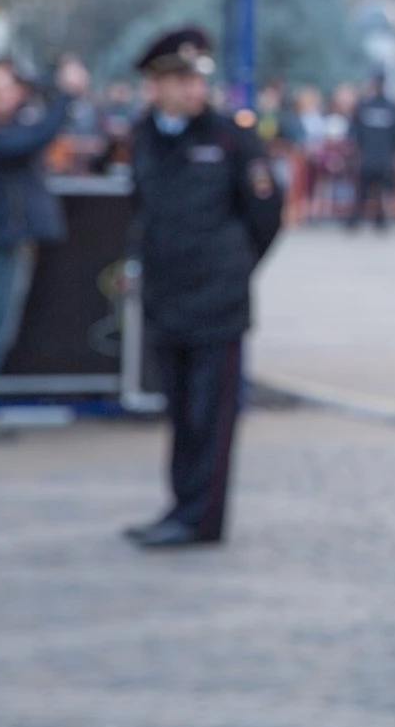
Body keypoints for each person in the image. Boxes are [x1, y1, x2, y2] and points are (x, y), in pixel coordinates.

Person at [121, 28, 283, 548]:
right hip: (167, 299)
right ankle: (179, 505)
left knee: (210, 418)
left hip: (218, 302)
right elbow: (140, 210)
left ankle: (202, 518)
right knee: (180, 415)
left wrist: (234, 266)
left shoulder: (230, 136)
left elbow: (266, 214)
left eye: (197, 79)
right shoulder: (144, 135)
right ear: (155, 85)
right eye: (181, 80)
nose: (194, 90)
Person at [0, 57, 85, 439]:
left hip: (3, 237)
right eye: (0, 92)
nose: (10, 98)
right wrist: (67, 96)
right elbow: (33, 137)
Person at [348, 76, 395, 231]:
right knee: (382, 190)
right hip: (385, 156)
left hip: (367, 156)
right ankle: (380, 219)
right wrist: (394, 151)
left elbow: (355, 132)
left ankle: (356, 219)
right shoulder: (391, 107)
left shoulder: (364, 107)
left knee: (363, 190)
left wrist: (359, 148)